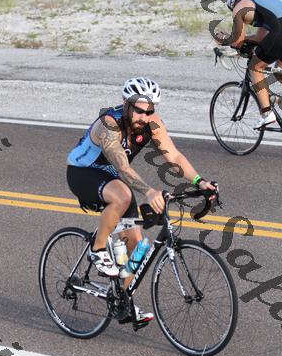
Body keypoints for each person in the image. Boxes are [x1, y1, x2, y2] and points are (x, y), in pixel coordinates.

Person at [66, 77, 216, 325]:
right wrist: (148, 192)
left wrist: (200, 182)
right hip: (83, 173)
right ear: (126, 104)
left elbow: (174, 156)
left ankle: (122, 301)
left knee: (137, 245)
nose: (144, 117)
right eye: (139, 110)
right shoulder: (109, 124)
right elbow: (123, 167)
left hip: (113, 180)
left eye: (149, 111)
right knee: (124, 195)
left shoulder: (151, 123)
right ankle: (97, 250)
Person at [215, 0, 282, 129]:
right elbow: (259, 38)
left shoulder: (240, 7)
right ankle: (275, 98)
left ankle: (266, 113)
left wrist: (223, 39)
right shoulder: (260, 2)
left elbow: (237, 42)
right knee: (278, 72)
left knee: (255, 68)